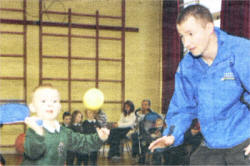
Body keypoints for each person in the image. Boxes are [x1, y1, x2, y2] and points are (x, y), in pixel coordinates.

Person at [149, 4, 250, 165]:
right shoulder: (187, 67)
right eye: (182, 36)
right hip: (212, 143)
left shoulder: (241, 51)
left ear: (209, 28)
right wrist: (171, 135)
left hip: (243, 139)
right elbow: (182, 108)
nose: (186, 43)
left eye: (191, 34)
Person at [22, 84, 109, 165]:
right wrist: (38, 133)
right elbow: (33, 153)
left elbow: (82, 142)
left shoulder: (64, 132)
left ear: (59, 107)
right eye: (43, 101)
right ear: (32, 107)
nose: (50, 104)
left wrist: (99, 138)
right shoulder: (33, 131)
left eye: (54, 101)